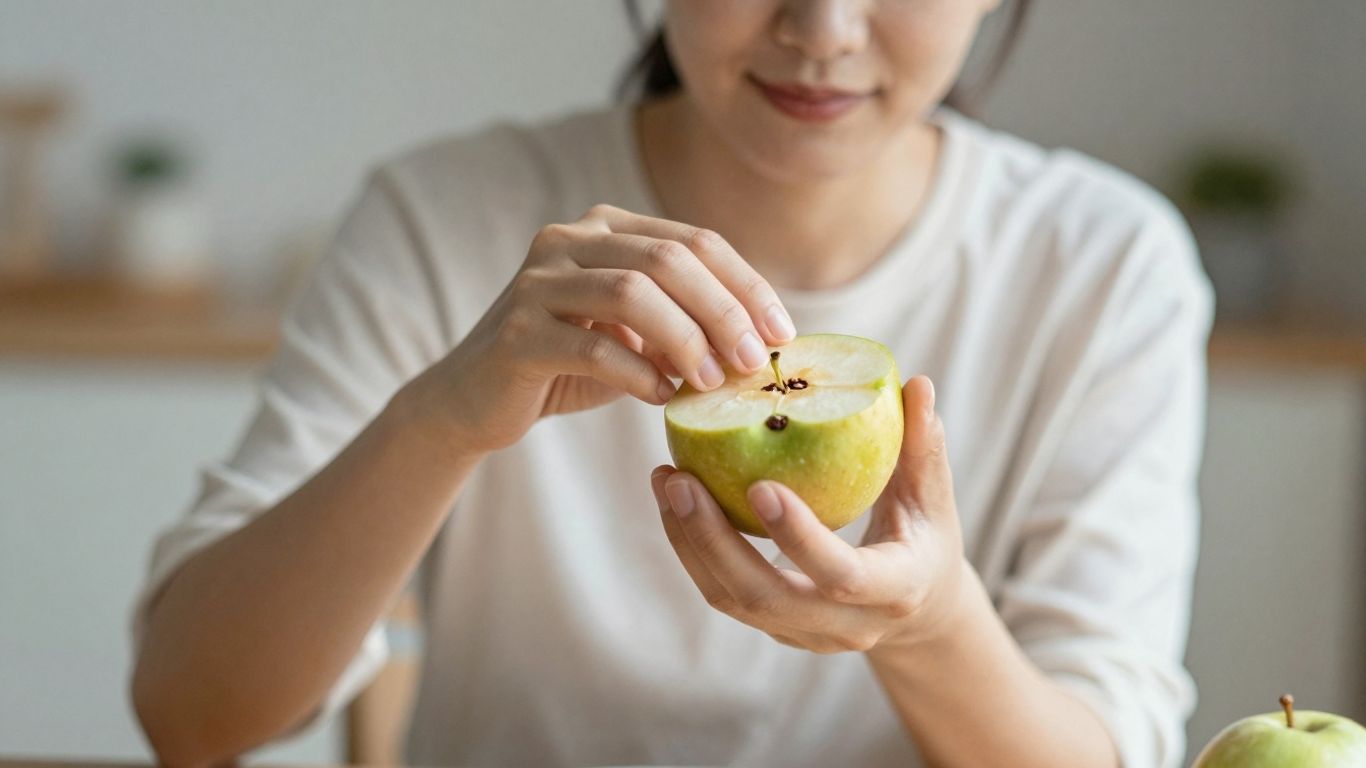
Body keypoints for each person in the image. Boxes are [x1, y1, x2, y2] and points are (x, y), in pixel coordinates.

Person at [130, 1, 1214, 766]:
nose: (824, 28)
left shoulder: (1105, 266)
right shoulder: (443, 220)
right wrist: (440, 420)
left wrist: (927, 625)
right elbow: (188, 714)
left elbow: (1103, 742)